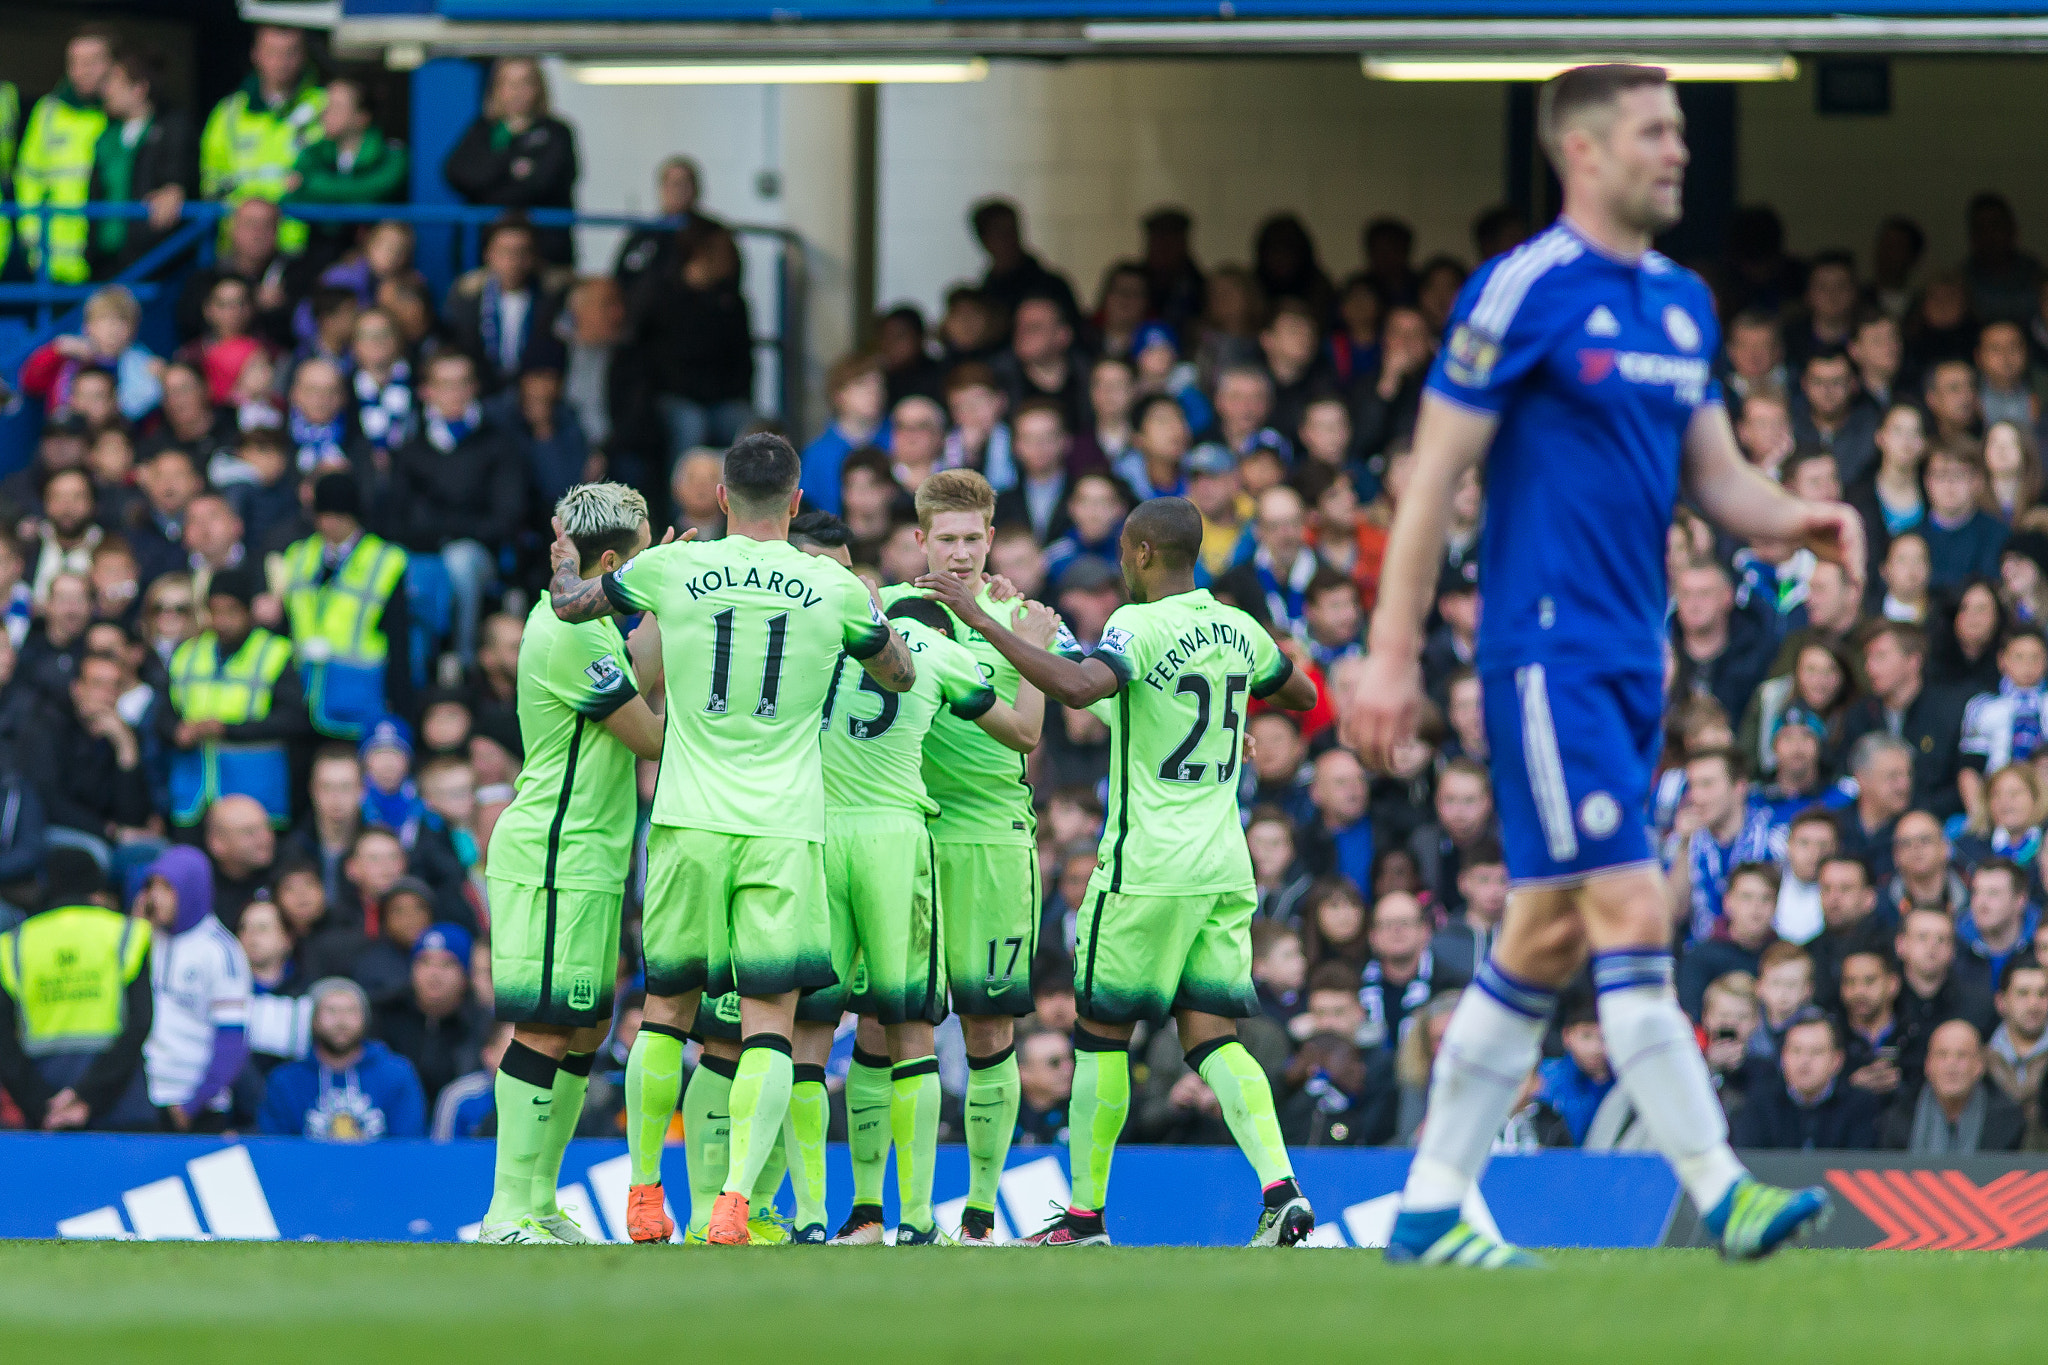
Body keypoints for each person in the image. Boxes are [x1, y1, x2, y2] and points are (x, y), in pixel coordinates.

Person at [1348, 66, 1859, 1266]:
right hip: (1545, 654)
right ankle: (1722, 1190)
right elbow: (1430, 477)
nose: (1677, 150)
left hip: (1635, 659)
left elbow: (1715, 477)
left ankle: (1426, 1210)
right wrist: (1389, 653)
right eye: (1652, 131)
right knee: (1629, 906)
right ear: (1580, 151)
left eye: (1678, 130)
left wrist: (1797, 519)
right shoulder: (1522, 289)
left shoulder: (1681, 303)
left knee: (1541, 936)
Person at [919, 494, 1322, 1248]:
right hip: (1222, 864)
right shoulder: (1238, 626)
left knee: (1101, 1037)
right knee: (1213, 1036)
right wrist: (1233, 713)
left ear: (1139, 553)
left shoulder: (1136, 624)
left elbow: (1080, 689)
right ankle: (1282, 1192)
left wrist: (982, 622)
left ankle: (1084, 1219)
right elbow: (1300, 693)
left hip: (1146, 864)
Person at [546, 431, 916, 1246]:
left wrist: (566, 562)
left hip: (688, 819)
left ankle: (645, 1190)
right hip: (782, 828)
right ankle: (735, 1203)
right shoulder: (834, 585)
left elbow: (572, 607)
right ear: (795, 501)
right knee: (769, 1024)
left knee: (665, 1013)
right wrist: (875, 622)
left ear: (720, 497)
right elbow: (899, 673)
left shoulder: (672, 567)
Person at [783, 510, 1049, 1246]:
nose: (960, 552)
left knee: (817, 1030)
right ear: (921, 540)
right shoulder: (928, 633)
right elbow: (1027, 729)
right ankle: (904, 1217)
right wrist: (1028, 649)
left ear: (989, 540)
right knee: (902, 1027)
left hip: (845, 835)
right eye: (947, 538)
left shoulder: (824, 629)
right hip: (903, 839)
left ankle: (823, 1217)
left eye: (973, 538)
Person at [474, 484, 668, 1245]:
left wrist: (666, 600)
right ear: (612, 561)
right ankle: (504, 1211)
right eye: (644, 557)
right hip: (554, 854)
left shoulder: (591, 628)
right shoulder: (568, 634)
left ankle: (540, 1202)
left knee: (585, 1028)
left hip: (590, 855)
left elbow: (637, 676)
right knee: (547, 1026)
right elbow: (648, 735)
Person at [0, 850, 154, 1131]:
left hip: (45, 1097)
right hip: (121, 1100)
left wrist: (42, 1104)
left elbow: (4, 1043)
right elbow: (141, 1023)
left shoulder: (13, 944)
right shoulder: (127, 933)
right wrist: (86, 1097)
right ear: (96, 890)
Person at [389, 351, 525, 665]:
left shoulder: (499, 444)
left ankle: (462, 662)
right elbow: (396, 522)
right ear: (427, 391)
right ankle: (410, 667)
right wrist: (451, 527)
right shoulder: (410, 451)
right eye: (445, 384)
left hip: (481, 557)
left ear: (474, 388)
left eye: (462, 383)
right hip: (421, 553)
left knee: (459, 560)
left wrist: (439, 526)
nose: (455, 393)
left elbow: (506, 519)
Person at [160, 564, 304, 832]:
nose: (222, 621)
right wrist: (177, 731)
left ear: (248, 611)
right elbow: (164, 712)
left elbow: (293, 719)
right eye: (215, 611)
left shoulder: (275, 653)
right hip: (196, 797)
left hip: (254, 796)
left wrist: (227, 729)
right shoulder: (187, 654)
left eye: (231, 611)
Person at [278, 472, 412, 740]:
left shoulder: (384, 560)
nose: (329, 524)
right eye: (323, 515)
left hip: (357, 690)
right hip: (303, 690)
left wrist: (400, 706)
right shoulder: (299, 555)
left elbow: (398, 639)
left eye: (338, 516)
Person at [135, 846, 251, 1132]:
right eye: (152, 887)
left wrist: (194, 1104)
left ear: (191, 889)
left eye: (167, 888)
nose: (155, 898)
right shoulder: (147, 939)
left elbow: (232, 1038)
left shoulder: (220, 950)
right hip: (144, 1095)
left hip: (195, 1104)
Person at [199, 25, 325, 257]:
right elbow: (211, 181)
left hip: (301, 244)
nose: (281, 61)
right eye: (272, 52)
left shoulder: (324, 107)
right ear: (256, 55)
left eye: (290, 53)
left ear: (303, 56)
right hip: (238, 246)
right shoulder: (229, 112)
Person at [442, 57, 579, 266]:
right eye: (510, 83)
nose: (517, 91)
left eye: (526, 82)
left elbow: (543, 185)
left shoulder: (557, 132)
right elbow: (455, 173)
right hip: (486, 253)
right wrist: (510, 165)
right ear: (497, 89)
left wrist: (487, 187)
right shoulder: (483, 129)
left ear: (539, 88)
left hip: (547, 253)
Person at [257, 976, 426, 1139]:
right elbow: (274, 1146)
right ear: (313, 1019)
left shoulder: (396, 1074)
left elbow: (409, 1145)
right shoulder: (285, 1080)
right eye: (331, 1011)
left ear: (365, 1019)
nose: (341, 1021)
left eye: (350, 1011)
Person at [14, 25, 113, 287]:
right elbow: (28, 179)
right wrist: (32, 239)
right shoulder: (47, 111)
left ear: (112, 64)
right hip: (55, 263)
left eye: (91, 62)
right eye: (74, 63)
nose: (81, 71)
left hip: (113, 261)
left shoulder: (121, 113)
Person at [85, 46, 193, 280]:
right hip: (104, 258)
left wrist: (175, 187)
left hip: (153, 260)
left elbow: (179, 175)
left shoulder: (171, 129)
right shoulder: (106, 135)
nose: (106, 89)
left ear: (139, 89)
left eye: (114, 81)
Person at [1729, 1009, 1882, 1149]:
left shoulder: (1859, 1105)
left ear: (1837, 1060)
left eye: (1816, 1052)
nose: (1804, 1061)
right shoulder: (1760, 1102)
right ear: (1783, 1057)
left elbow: (1859, 1163)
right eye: (1796, 1051)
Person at [1880, 1017, 2026, 1153]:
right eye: (1942, 1055)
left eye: (1962, 1055)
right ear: (1928, 1065)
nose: (1951, 1065)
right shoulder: (1899, 1117)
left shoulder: (2008, 1122)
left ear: (1979, 1065)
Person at [1985, 954, 2048, 1148]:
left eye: (2042, 994)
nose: (2034, 1004)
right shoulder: (1979, 1061)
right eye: (2023, 993)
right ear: (2001, 1002)